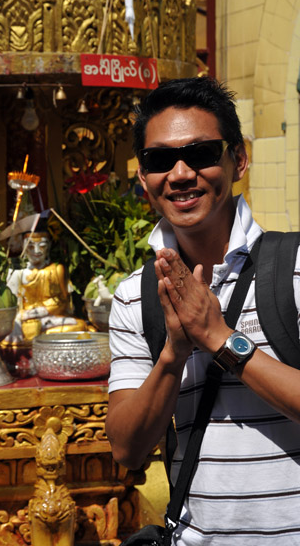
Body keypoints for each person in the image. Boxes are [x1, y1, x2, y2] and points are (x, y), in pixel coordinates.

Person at [105, 76, 300, 544]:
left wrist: (218, 338)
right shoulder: (136, 295)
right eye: (159, 160)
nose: (180, 173)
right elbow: (128, 450)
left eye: (201, 154)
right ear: (143, 178)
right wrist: (172, 355)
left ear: (239, 159)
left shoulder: (293, 269)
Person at [5, 231, 87, 342]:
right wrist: (21, 317)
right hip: (25, 321)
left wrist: (40, 312)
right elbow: (11, 304)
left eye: (42, 246)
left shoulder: (56, 270)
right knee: (15, 331)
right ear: (23, 247)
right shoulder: (17, 272)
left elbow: (63, 302)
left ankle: (42, 336)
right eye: (31, 246)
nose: (37, 251)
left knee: (79, 325)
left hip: (50, 319)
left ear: (48, 247)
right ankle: (41, 336)